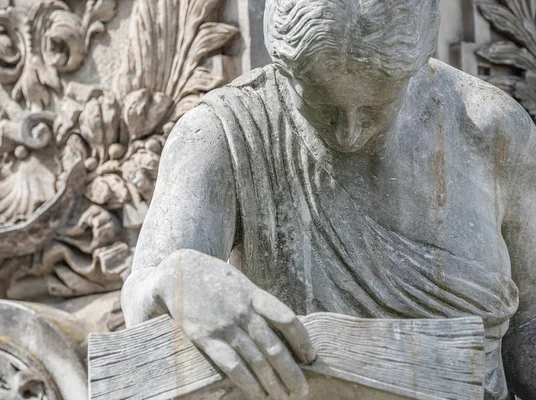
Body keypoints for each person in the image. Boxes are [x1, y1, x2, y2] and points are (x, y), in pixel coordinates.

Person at [122, 0, 536, 399]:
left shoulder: (491, 130)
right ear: (283, 70)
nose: (349, 133)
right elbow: (142, 295)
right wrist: (176, 279)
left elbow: (528, 332)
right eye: (319, 106)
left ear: (416, 66)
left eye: (377, 105)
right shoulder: (222, 135)